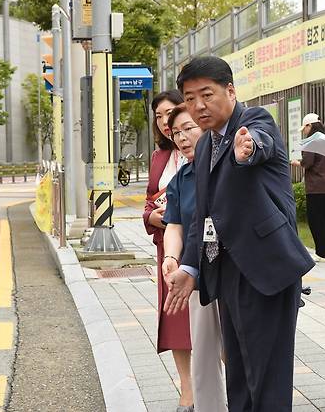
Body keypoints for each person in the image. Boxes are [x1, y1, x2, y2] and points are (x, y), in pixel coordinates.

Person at [164, 56, 315, 411]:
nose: (198, 106)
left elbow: (256, 144)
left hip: (266, 270)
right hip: (226, 271)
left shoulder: (254, 121)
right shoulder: (203, 146)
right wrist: (189, 267)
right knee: (240, 376)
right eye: (189, 98)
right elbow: (202, 213)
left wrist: (246, 151)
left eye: (207, 94)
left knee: (267, 378)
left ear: (230, 90)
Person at [161, 104, 227, 412]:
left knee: (234, 350)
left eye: (189, 128)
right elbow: (173, 224)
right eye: (176, 133)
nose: (183, 137)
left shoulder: (226, 167)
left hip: (231, 273)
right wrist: (172, 257)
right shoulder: (180, 179)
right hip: (195, 276)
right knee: (203, 352)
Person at [143, 90, 193, 411]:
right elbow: (149, 200)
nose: (165, 122)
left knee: (210, 321)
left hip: (203, 245)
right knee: (176, 320)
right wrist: (152, 216)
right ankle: (187, 393)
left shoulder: (202, 149)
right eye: (159, 117)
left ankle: (221, 387)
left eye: (171, 114)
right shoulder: (159, 157)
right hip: (169, 249)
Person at [291, 113, 325, 262]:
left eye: (304, 129)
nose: (304, 132)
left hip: (317, 188)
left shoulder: (312, 142)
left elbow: (308, 162)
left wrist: (297, 163)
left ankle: (321, 253)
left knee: (316, 220)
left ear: (309, 126)